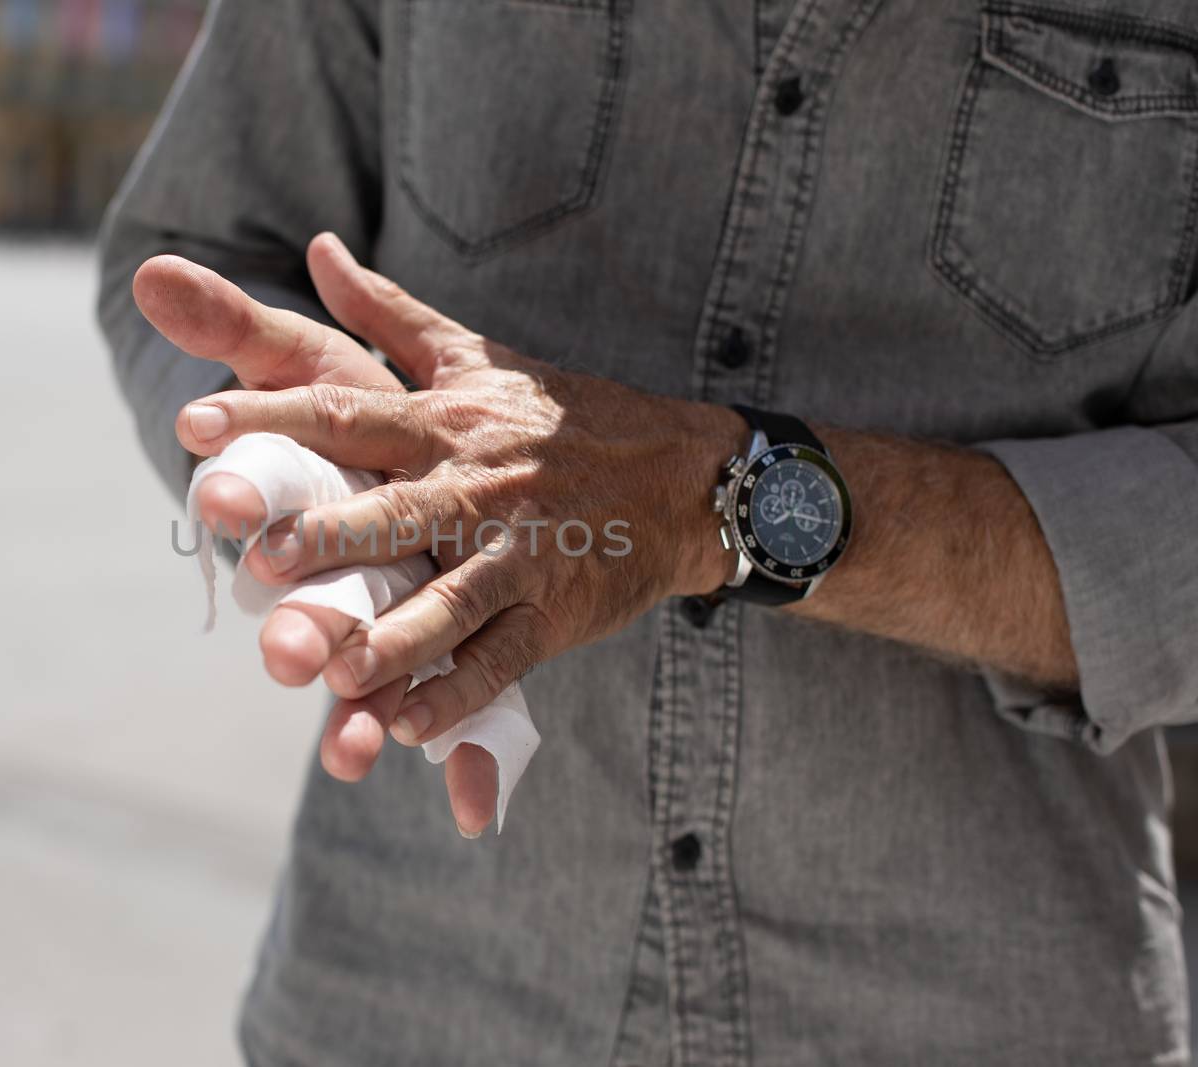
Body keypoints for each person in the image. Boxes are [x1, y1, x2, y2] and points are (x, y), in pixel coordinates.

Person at [97, 1, 1198, 1063]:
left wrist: (705, 498)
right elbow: (205, 239)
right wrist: (323, 472)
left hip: (979, 1009)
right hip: (417, 984)